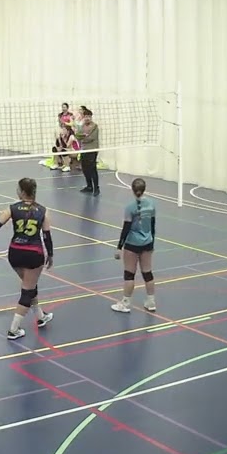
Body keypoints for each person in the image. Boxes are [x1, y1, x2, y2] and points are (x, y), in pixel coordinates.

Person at [0, 177, 55, 339]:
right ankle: (13, 329)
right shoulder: (43, 211)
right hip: (34, 254)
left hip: (15, 253)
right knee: (28, 290)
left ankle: (41, 317)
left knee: (30, 285)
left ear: (21, 192)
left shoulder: (12, 208)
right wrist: (50, 254)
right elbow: (47, 235)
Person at [111, 178, 158, 313]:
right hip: (147, 242)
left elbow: (126, 228)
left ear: (132, 189)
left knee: (129, 274)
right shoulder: (151, 204)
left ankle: (126, 303)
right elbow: (153, 226)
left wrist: (119, 247)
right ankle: (151, 301)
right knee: (147, 273)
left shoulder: (130, 208)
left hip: (132, 244)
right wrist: (152, 243)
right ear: (144, 189)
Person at [76, 107, 100, 194]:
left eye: (89, 116)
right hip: (84, 150)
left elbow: (91, 138)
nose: (87, 118)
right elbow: (77, 135)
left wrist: (83, 138)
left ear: (91, 117)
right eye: (86, 116)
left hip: (92, 150)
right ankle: (89, 186)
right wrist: (82, 136)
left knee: (92, 169)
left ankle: (96, 188)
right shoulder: (82, 126)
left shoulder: (94, 126)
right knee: (85, 169)